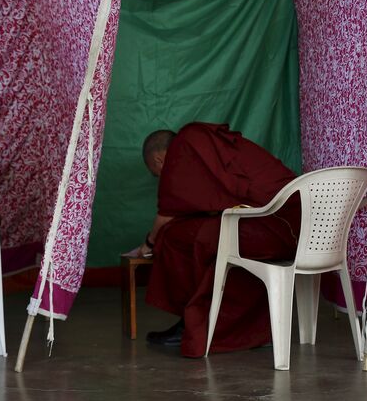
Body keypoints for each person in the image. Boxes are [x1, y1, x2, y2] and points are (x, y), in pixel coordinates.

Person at [128, 123, 300, 357]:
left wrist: (148, 244)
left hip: (269, 226)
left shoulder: (185, 144)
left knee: (174, 237)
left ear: (159, 161)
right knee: (207, 239)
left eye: (157, 174)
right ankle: (252, 329)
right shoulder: (204, 143)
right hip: (299, 225)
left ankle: (195, 325)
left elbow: (168, 213)